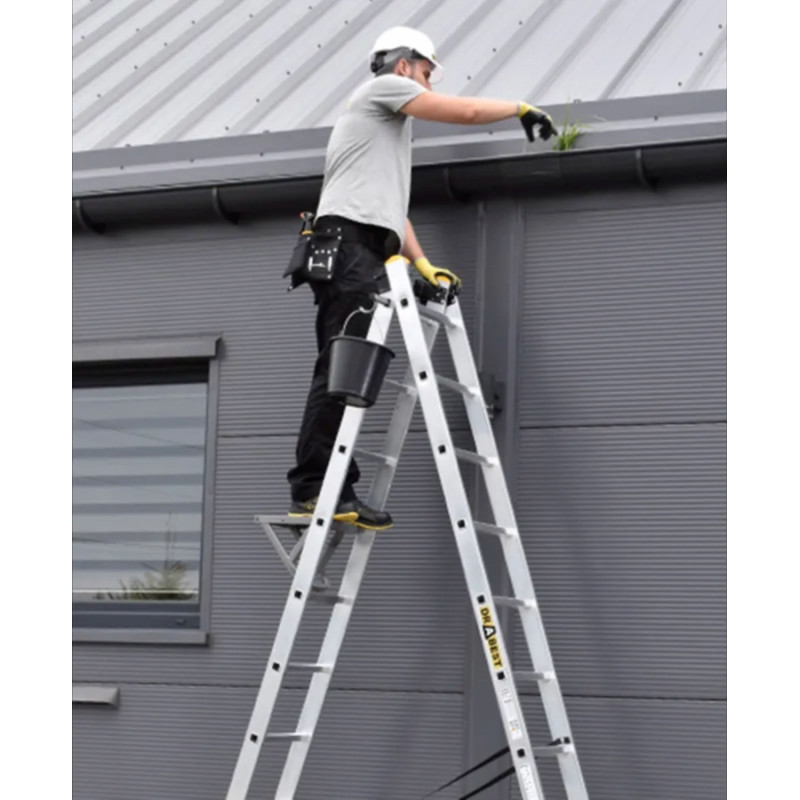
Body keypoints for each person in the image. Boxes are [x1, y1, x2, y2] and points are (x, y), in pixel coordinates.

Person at [286, 26, 556, 530]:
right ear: (403, 64)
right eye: (427, 74)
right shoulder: (382, 89)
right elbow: (465, 113)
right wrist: (518, 108)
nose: (428, 85)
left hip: (362, 248)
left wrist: (423, 264)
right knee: (342, 371)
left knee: (348, 371)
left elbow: (391, 213)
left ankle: (329, 487)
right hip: (349, 249)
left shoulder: (384, 134)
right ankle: (314, 489)